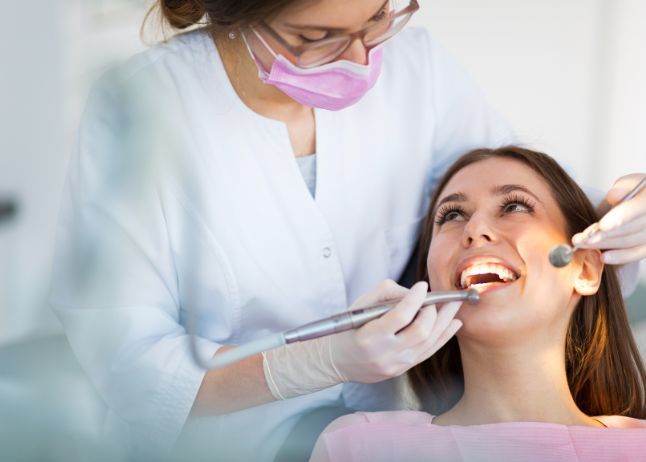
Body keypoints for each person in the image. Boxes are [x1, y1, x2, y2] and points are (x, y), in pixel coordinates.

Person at [49, 0, 646, 460]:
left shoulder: (420, 73)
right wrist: (309, 363)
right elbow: (129, 367)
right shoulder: (145, 110)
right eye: (318, 37)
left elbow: (515, 190)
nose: (363, 61)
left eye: (379, 18)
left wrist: (616, 210)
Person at [310, 146, 646, 462]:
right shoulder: (360, 447)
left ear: (585, 269)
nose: (474, 229)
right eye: (452, 214)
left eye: (514, 206)